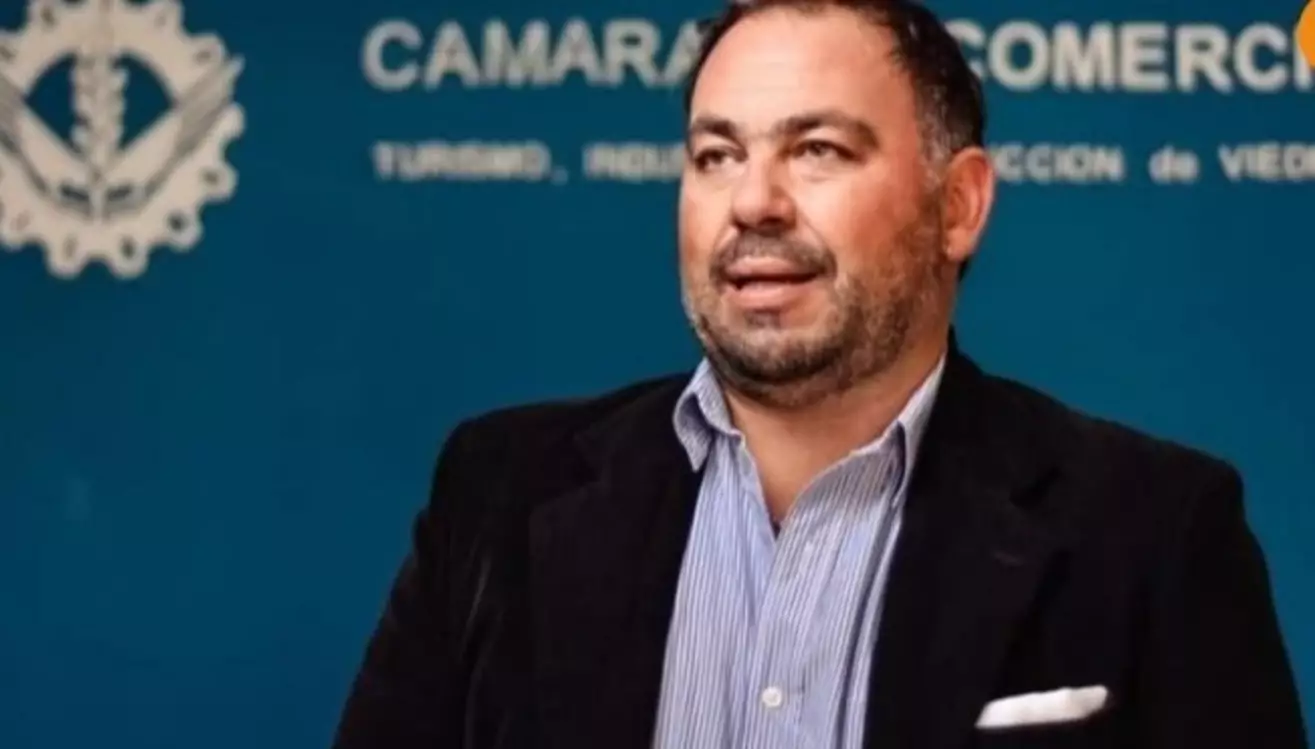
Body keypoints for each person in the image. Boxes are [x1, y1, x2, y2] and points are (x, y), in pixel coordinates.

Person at [331, 1, 1307, 747]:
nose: (753, 200)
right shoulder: (500, 492)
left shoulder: (1153, 529)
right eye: (716, 154)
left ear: (958, 206)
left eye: (816, 150)